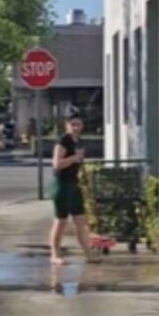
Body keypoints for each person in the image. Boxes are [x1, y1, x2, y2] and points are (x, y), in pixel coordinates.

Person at [49, 113, 97, 265]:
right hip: (62, 184)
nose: (76, 127)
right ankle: (54, 255)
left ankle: (88, 254)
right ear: (67, 125)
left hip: (74, 184)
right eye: (73, 124)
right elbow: (57, 164)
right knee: (61, 221)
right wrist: (74, 158)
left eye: (79, 124)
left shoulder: (78, 142)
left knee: (80, 220)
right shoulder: (63, 141)